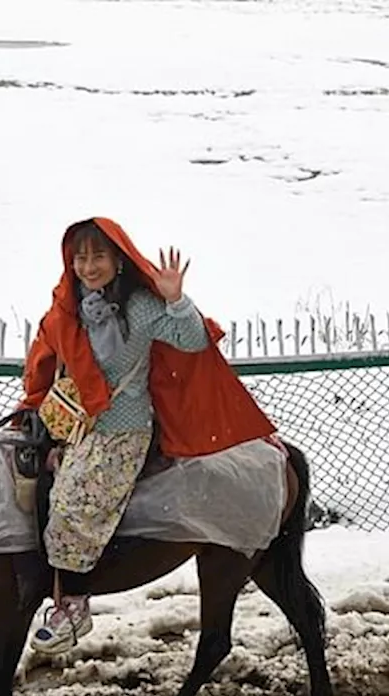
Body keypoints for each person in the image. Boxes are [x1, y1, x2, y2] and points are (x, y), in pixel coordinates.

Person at [16, 217, 278, 654]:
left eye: (98, 255)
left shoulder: (139, 306)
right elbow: (45, 356)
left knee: (75, 499)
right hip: (73, 424)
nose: (88, 266)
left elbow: (192, 340)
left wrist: (175, 300)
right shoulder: (68, 305)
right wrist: (33, 405)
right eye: (80, 256)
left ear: (118, 259)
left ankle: (74, 604)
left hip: (123, 429)